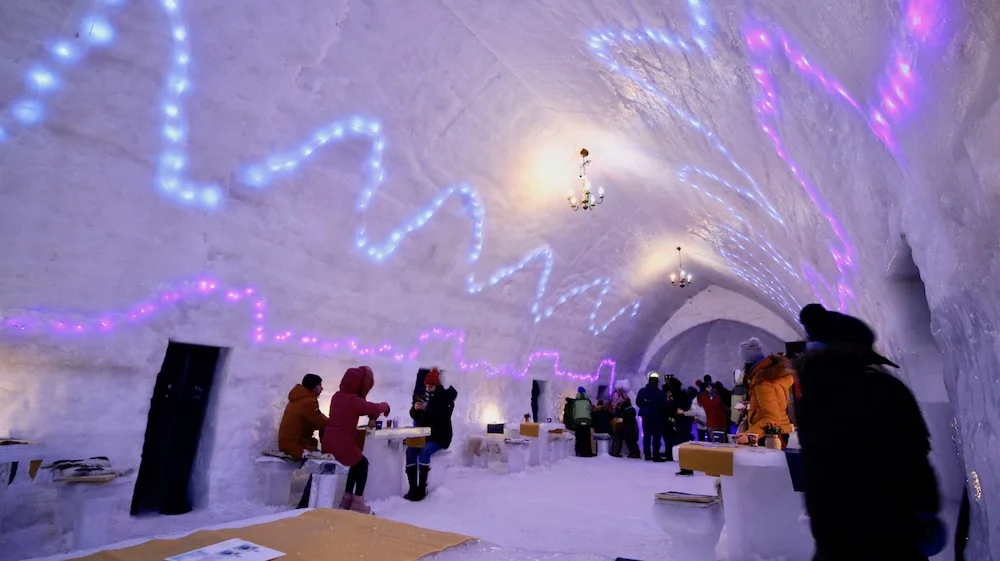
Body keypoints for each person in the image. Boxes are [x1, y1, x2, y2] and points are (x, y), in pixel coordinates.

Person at [795, 310, 943, 560]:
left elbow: (815, 470)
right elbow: (912, 458)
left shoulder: (810, 396)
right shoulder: (883, 389)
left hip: (833, 532)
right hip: (891, 530)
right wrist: (926, 510)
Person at [321, 366, 390, 514]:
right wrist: (386, 406)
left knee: (356, 462)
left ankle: (346, 499)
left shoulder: (337, 396)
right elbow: (374, 408)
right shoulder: (353, 400)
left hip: (328, 441)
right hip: (341, 442)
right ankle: (357, 500)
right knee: (363, 464)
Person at [404, 368, 457, 501]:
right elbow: (414, 415)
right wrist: (415, 409)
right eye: (426, 385)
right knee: (410, 451)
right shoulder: (422, 395)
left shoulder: (443, 397)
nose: (428, 388)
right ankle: (412, 488)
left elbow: (442, 416)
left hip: (439, 436)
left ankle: (422, 488)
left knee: (425, 451)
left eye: (431, 386)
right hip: (423, 435)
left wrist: (427, 408)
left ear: (436, 385)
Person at [277, 373, 329, 508]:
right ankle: (306, 504)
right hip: (295, 445)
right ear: (312, 387)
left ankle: (308, 502)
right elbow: (321, 422)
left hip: (289, 442)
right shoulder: (308, 402)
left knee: (321, 461)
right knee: (323, 465)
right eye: (319, 385)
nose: (322, 389)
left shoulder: (298, 398)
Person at [636, 372, 668, 462]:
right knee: (656, 437)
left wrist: (645, 407)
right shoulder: (659, 393)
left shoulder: (642, 391)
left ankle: (647, 455)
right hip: (657, 417)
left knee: (646, 436)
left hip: (646, 416)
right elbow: (665, 405)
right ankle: (656, 455)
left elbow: (638, 402)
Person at [611, 389, 640, 458]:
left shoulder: (624, 406)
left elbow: (622, 416)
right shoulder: (624, 405)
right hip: (627, 425)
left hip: (628, 425)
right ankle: (633, 453)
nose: (615, 398)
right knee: (628, 439)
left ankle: (634, 453)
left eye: (617, 396)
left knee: (629, 439)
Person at [571, 387, 595, 457]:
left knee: (579, 436)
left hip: (578, 421)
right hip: (587, 420)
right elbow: (590, 411)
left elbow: (573, 412)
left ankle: (578, 451)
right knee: (586, 436)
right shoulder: (588, 401)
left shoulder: (575, 402)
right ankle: (587, 451)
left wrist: (574, 420)